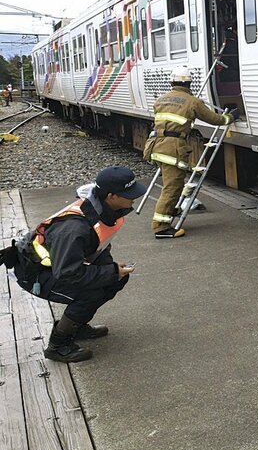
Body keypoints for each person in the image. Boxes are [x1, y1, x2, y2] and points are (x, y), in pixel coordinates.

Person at [1, 166, 144, 363]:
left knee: (115, 280)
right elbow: (68, 274)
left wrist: (113, 271)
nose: (134, 197)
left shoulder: (102, 210)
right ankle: (58, 346)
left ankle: (76, 326)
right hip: (35, 274)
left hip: (56, 267)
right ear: (111, 196)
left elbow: (97, 248)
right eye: (129, 193)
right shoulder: (74, 229)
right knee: (91, 292)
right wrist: (110, 272)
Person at [149, 66, 237, 239]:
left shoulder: (160, 100)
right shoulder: (192, 101)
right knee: (172, 188)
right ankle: (160, 228)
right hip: (172, 149)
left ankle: (168, 210)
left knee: (172, 185)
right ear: (189, 83)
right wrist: (232, 116)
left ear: (171, 82)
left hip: (156, 145)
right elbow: (216, 120)